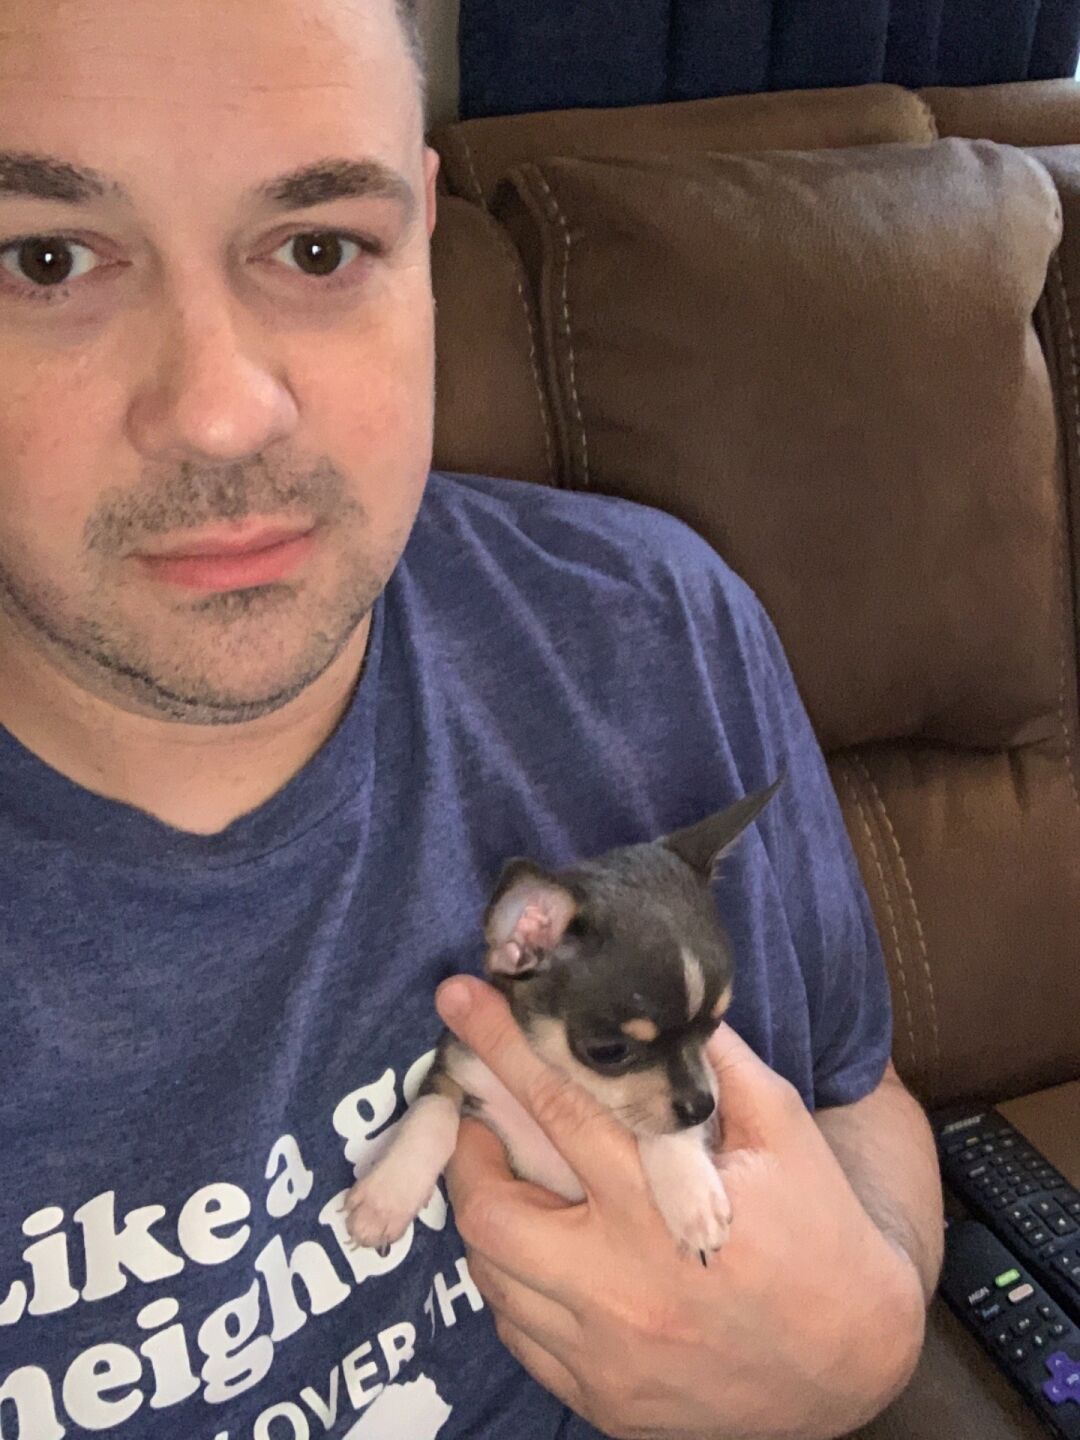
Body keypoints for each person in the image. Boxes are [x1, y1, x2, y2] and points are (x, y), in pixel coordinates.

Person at [0, 0, 944, 1436]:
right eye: (45, 260)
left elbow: (855, 1103)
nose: (222, 413)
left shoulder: (657, 625)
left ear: (421, 234)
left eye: (322, 248)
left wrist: (867, 1340)